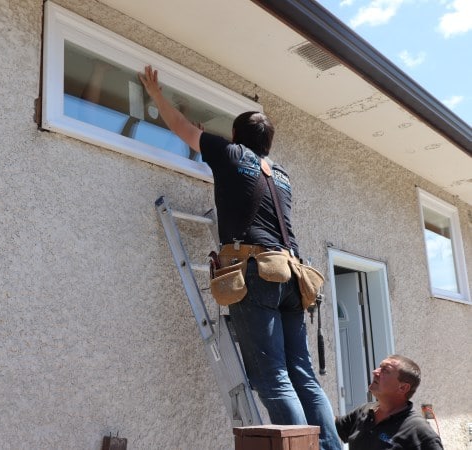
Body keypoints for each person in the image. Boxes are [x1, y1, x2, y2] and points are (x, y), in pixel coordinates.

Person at [139, 65, 341, 450]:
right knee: (303, 376)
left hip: (257, 275)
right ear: (267, 144)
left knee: (273, 378)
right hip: (292, 277)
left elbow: (181, 126)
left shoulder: (228, 152)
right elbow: (245, 189)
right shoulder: (279, 173)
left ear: (235, 136)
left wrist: (155, 94)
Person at [335, 355, 444, 449]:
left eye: (385, 370)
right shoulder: (365, 411)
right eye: (379, 367)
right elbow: (332, 426)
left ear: (403, 388)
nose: (375, 372)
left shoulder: (419, 432)